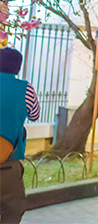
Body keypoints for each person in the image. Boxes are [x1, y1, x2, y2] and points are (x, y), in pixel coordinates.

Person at [0, 48, 40, 224]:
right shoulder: (25, 89)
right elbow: (35, 115)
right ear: (17, 67)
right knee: (11, 211)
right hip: (8, 161)